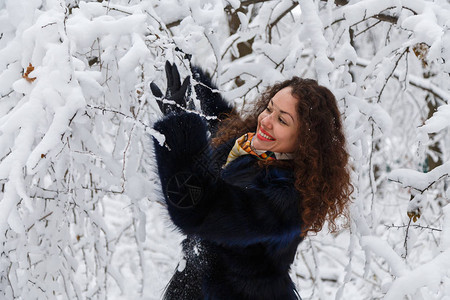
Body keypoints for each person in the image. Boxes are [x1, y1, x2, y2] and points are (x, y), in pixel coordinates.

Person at [150, 61, 352, 300]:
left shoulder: (287, 198)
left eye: (282, 120)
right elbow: (221, 120)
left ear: (305, 141)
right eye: (269, 108)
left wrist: (179, 126)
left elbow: (200, 211)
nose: (266, 120)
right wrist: (193, 73)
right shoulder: (251, 149)